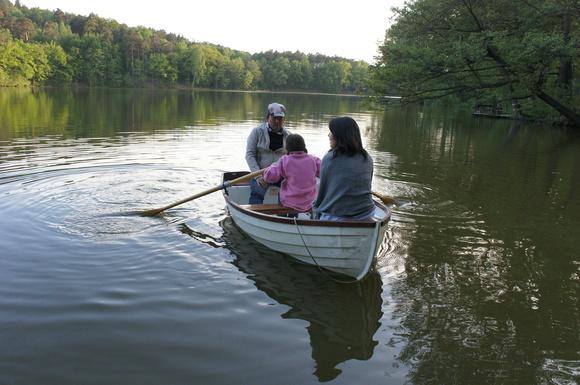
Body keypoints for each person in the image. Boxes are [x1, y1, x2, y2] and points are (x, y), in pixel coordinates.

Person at [312, 116, 376, 220]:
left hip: (338, 216)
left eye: (331, 132)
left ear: (339, 135)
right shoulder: (367, 158)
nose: (329, 135)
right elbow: (367, 186)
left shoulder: (330, 159)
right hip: (367, 213)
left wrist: (314, 209)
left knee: (318, 209)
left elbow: (322, 194)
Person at [263, 134, 321, 213]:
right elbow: (324, 173)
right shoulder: (313, 159)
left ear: (287, 147)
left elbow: (269, 177)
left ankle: (282, 217)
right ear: (303, 146)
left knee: (281, 192)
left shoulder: (284, 160)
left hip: (291, 200)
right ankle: (295, 218)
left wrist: (273, 165)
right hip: (310, 200)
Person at [245, 102, 290, 204]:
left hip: (281, 173)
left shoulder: (289, 136)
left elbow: (292, 157)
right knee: (257, 192)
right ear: (267, 118)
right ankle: (254, 217)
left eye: (280, 118)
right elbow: (250, 155)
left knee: (290, 191)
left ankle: (285, 217)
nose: (277, 121)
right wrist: (257, 176)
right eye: (274, 118)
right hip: (261, 173)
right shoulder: (256, 132)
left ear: (284, 119)